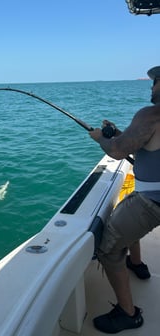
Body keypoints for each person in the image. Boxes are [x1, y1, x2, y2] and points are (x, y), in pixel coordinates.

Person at [89, 65, 160, 333]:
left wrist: (101, 138)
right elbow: (139, 142)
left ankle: (128, 314)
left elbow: (118, 152)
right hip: (151, 197)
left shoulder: (150, 115)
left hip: (152, 201)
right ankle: (137, 263)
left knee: (108, 248)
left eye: (155, 82)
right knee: (125, 213)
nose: (151, 87)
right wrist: (120, 133)